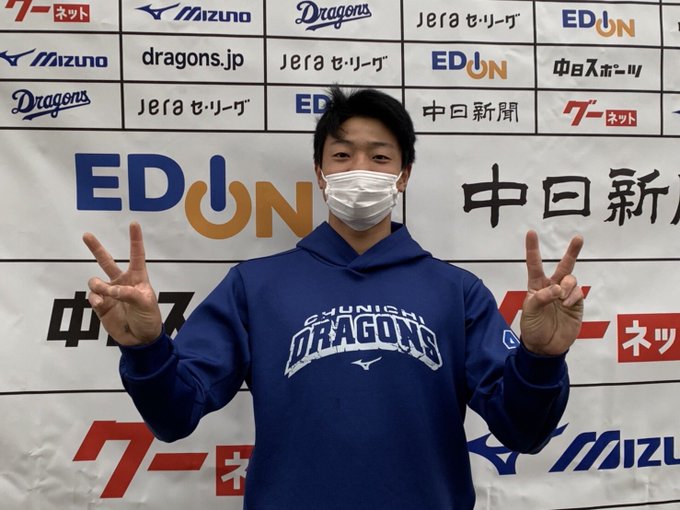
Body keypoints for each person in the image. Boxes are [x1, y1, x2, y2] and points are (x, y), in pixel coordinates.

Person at [83, 86, 584, 509]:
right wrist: (146, 350)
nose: (359, 168)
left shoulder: (456, 292)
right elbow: (174, 416)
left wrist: (540, 359)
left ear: (403, 174)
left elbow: (523, 432)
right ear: (321, 173)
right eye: (342, 155)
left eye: (380, 156)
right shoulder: (255, 286)